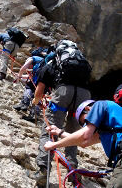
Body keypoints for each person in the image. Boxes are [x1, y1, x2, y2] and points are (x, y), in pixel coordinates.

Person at [32, 39, 92, 186]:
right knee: (73, 135)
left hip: (63, 93)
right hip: (84, 97)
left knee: (50, 131)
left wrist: (35, 102)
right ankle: (73, 172)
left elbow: (39, 91)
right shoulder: (82, 63)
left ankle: (43, 169)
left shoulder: (53, 63)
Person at [44, 99, 122, 188]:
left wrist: (54, 145)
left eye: (85, 121)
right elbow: (84, 142)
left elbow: (84, 137)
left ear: (87, 108)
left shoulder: (99, 105)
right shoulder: (109, 124)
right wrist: (59, 132)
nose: (86, 125)